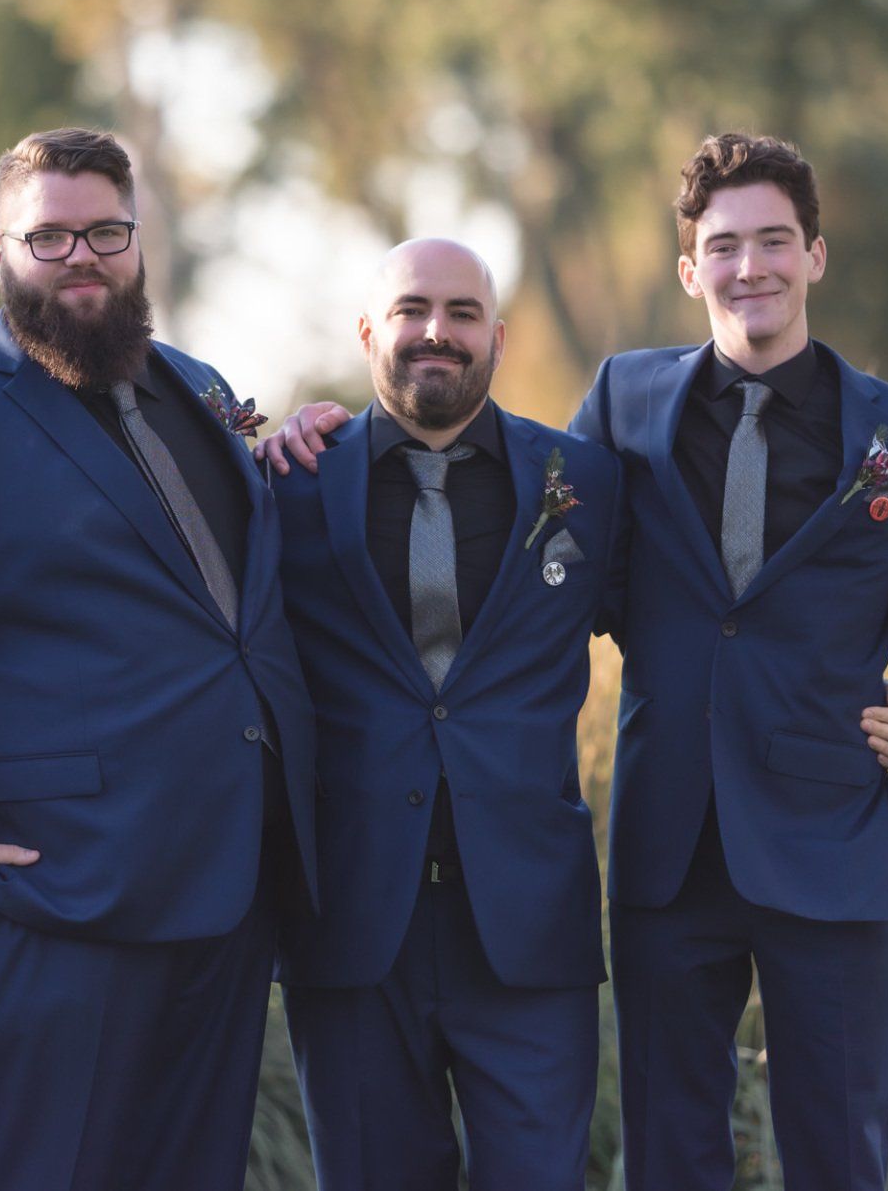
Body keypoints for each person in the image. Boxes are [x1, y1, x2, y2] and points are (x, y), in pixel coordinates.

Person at [0, 127, 319, 1191]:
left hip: (226, 890)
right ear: (1, 247)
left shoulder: (201, 389)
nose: (81, 255)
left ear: (138, 242)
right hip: (51, 902)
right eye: (50, 236)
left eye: (104, 231)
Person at [569, 133, 888, 1190]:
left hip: (838, 842)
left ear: (816, 256)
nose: (751, 266)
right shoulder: (623, 405)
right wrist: (341, 441)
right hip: (668, 844)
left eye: (775, 241)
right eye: (725, 245)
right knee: (670, 1150)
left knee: (839, 1153)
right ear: (689, 268)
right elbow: (547, 554)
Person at [273, 237, 621, 1190]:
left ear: (498, 338)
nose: (438, 332)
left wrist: (866, 691)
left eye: (464, 313)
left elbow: (691, 633)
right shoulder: (285, 486)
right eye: (413, 309)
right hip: (351, 926)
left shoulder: (586, 483)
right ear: (368, 333)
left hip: (527, 926)